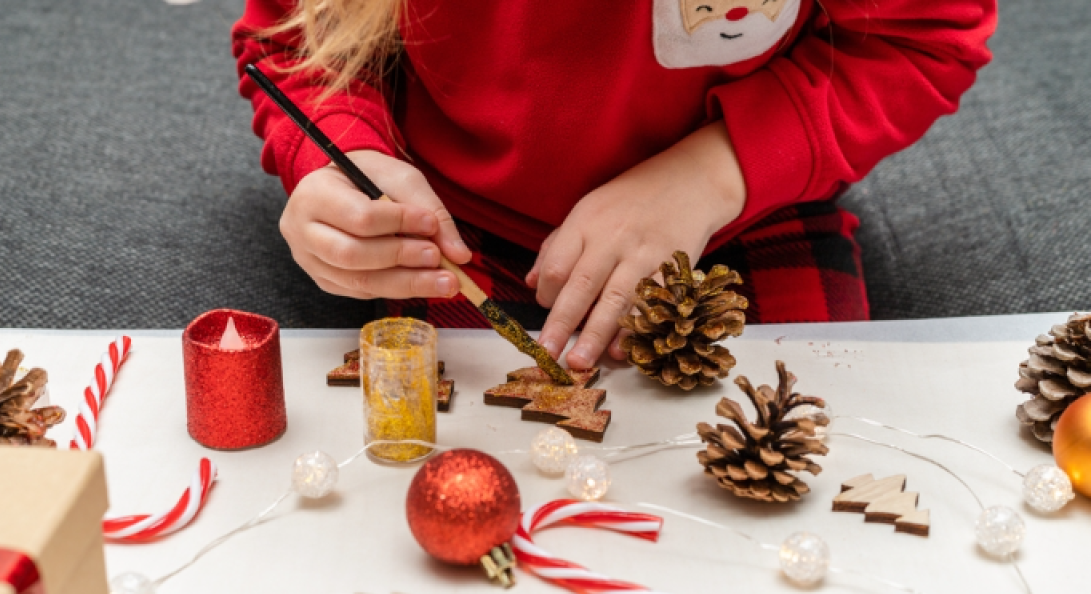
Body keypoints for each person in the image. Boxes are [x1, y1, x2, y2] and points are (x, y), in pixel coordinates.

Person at [232, 0, 996, 369]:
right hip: (450, 224)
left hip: (745, 213)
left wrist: (712, 173)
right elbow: (298, 44)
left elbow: (920, 41)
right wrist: (343, 159)